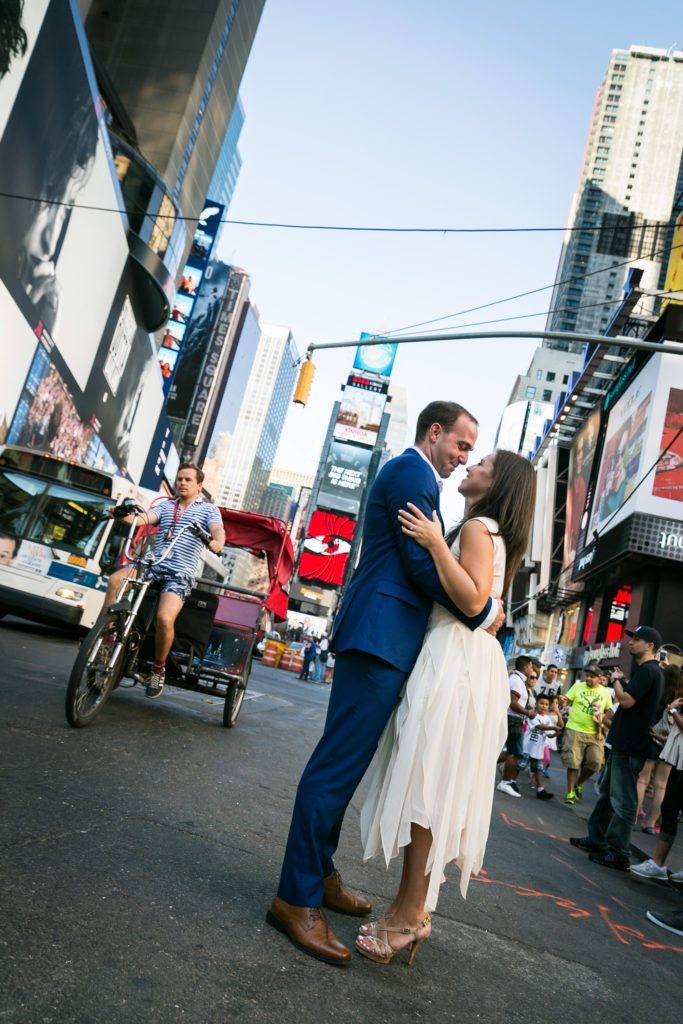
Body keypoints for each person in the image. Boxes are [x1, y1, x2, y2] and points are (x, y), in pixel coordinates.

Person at [267, 401, 503, 966]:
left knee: (342, 769)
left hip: (386, 640)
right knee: (334, 769)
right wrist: (480, 609)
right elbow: (420, 565)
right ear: (436, 431)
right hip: (378, 638)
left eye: (472, 453)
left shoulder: (421, 480)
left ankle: (318, 875)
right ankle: (294, 900)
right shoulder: (410, 473)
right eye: (461, 446)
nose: (462, 458)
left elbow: (425, 559)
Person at [357, 449, 536, 965]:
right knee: (431, 786)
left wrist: (437, 543)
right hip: (461, 660)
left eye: (481, 462)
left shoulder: (479, 528)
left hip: (455, 660)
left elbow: (476, 600)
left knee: (426, 787)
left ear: (496, 481)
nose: (469, 466)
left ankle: (410, 916)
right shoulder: (489, 530)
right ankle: (411, 908)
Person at [103, 463, 225, 699]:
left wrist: (217, 542)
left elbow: (218, 530)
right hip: (153, 565)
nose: (182, 482)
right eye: (179, 478)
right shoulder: (166, 506)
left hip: (179, 573)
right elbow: (142, 520)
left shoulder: (208, 510)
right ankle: (107, 637)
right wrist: (117, 513)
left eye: (188, 479)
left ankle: (158, 668)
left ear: (199, 485)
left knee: (164, 618)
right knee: (115, 581)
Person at [570, 625, 664, 871]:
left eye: (637, 639)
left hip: (631, 745)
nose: (630, 642)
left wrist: (617, 681)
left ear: (650, 645)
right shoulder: (648, 671)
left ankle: (618, 852)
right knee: (608, 793)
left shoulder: (648, 671)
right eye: (631, 638)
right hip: (624, 743)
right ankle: (597, 839)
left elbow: (626, 701)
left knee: (623, 800)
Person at [630, 694, 683, 882]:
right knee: (669, 810)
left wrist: (673, 710)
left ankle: (658, 864)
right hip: (677, 760)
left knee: (670, 809)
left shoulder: (677, 707)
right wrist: (663, 737)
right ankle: (658, 863)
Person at [634, 664, 683, 832]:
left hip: (653, 738)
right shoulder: (681, 697)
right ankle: (651, 823)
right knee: (661, 785)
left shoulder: (659, 692)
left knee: (642, 779)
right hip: (671, 743)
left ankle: (632, 817)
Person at [561, 662, 613, 804]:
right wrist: (562, 701)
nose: (589, 679)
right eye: (587, 676)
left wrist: (602, 721)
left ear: (599, 677)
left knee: (595, 762)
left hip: (595, 732)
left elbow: (610, 710)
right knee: (573, 762)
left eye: (592, 677)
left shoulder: (605, 692)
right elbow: (566, 701)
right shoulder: (577, 687)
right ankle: (570, 792)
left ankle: (579, 783)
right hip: (574, 729)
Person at [497, 655, 536, 797]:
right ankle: (505, 782)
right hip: (513, 719)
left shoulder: (518, 680)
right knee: (515, 752)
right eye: (531, 666)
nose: (532, 670)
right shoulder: (517, 682)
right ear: (525, 667)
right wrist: (528, 713)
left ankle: (485, 765)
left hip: (514, 719)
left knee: (511, 752)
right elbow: (512, 703)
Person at [526, 695, 560, 800]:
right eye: (541, 703)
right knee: (520, 765)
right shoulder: (533, 715)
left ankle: (540, 790)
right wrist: (554, 727)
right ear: (536, 704)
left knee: (539, 770)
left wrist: (556, 734)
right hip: (527, 747)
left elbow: (549, 734)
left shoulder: (547, 719)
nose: (544, 706)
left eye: (546, 704)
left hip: (538, 749)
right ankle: (509, 779)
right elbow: (538, 726)